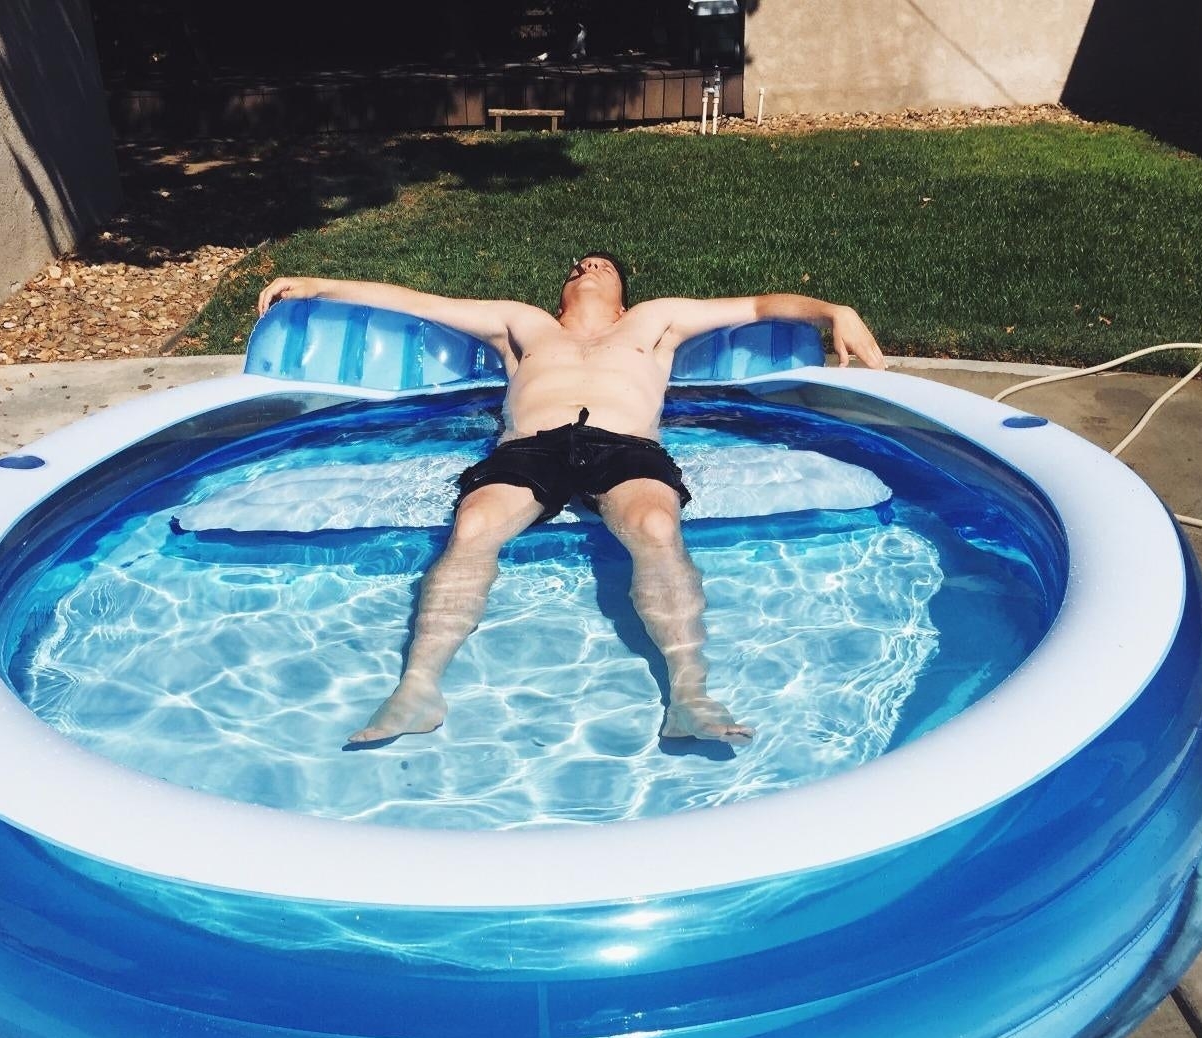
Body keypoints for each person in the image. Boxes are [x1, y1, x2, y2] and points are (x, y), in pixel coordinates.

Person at [256, 254, 886, 746]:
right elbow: (422, 304)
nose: (587, 270)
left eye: (602, 267)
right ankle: (418, 689)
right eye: (578, 267)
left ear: (624, 292)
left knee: (656, 527)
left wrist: (833, 310)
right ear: (562, 290)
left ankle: (690, 695)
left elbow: (755, 305)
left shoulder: (656, 319)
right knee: (473, 526)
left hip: (624, 444)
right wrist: (318, 285)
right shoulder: (522, 323)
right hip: (531, 444)